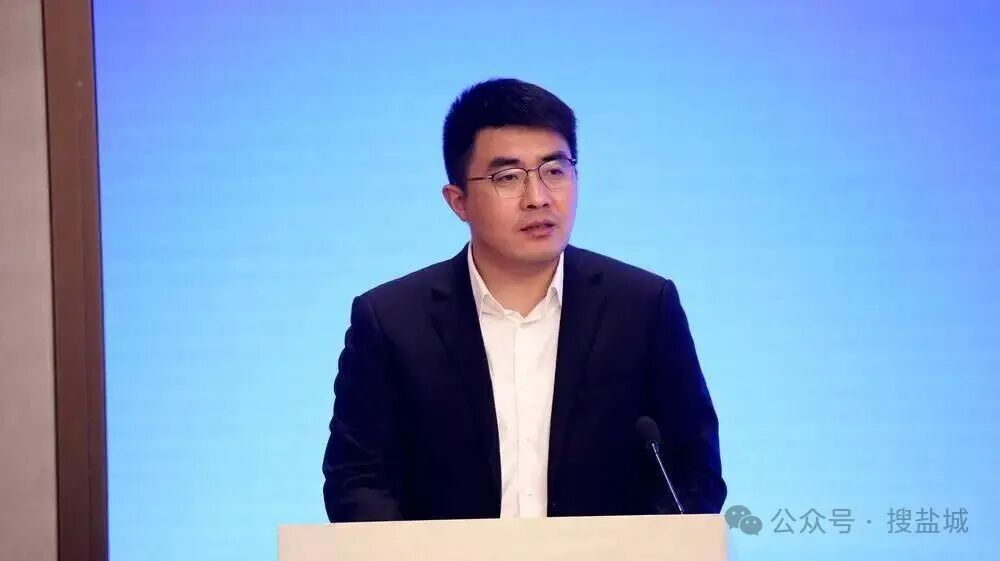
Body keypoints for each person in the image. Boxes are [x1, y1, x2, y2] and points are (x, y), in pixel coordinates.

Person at [322, 78, 726, 522]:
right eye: (508, 177)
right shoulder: (391, 321)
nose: (538, 198)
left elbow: (694, 472)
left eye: (555, 170)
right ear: (458, 201)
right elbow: (356, 481)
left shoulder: (644, 307)